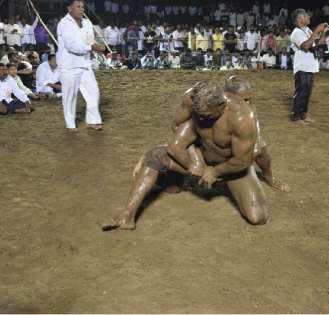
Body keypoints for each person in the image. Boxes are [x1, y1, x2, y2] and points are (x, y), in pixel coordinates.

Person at [101, 81, 269, 230]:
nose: (201, 120)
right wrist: (195, 158)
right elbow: (177, 125)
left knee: (257, 217)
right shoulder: (192, 97)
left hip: (230, 166)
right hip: (201, 156)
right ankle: (126, 215)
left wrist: (215, 172)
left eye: (207, 116)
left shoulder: (242, 116)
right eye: (198, 115)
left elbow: (242, 160)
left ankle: (200, 174)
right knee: (156, 159)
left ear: (221, 105)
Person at [56, 0, 106, 131]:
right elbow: (71, 46)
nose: (81, 9)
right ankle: (70, 125)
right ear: (69, 9)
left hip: (84, 64)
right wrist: (91, 47)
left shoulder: (87, 23)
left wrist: (95, 46)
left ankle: (92, 120)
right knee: (70, 96)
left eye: (82, 7)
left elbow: (89, 38)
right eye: (77, 7)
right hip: (68, 65)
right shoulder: (64, 23)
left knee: (93, 92)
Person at [290, 9, 329, 125]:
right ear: (298, 20)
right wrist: (316, 31)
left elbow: (316, 44)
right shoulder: (296, 32)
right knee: (301, 91)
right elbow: (306, 46)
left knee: (308, 92)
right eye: (304, 15)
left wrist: (322, 33)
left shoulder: (307, 30)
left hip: (310, 66)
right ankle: (296, 117)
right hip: (302, 67)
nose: (308, 16)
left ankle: (303, 115)